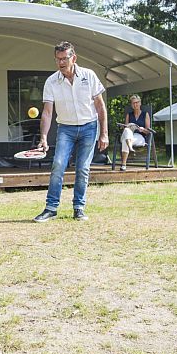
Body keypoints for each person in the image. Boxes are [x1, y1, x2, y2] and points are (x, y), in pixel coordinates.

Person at [33, 41, 109, 222]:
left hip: (89, 127)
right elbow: (47, 112)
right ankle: (51, 208)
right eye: (57, 59)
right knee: (58, 164)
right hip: (65, 129)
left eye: (64, 58)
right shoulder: (51, 81)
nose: (60, 63)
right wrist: (43, 137)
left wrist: (104, 133)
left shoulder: (89, 76)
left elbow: (100, 106)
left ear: (73, 58)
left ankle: (79, 208)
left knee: (82, 168)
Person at [119, 94, 151, 171]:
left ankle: (123, 165)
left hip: (139, 137)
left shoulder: (145, 114)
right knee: (127, 130)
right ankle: (130, 147)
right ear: (131, 105)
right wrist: (124, 127)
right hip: (129, 135)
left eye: (137, 102)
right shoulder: (129, 115)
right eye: (133, 103)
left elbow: (148, 131)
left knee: (125, 140)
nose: (135, 104)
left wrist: (143, 129)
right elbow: (125, 128)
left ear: (140, 103)